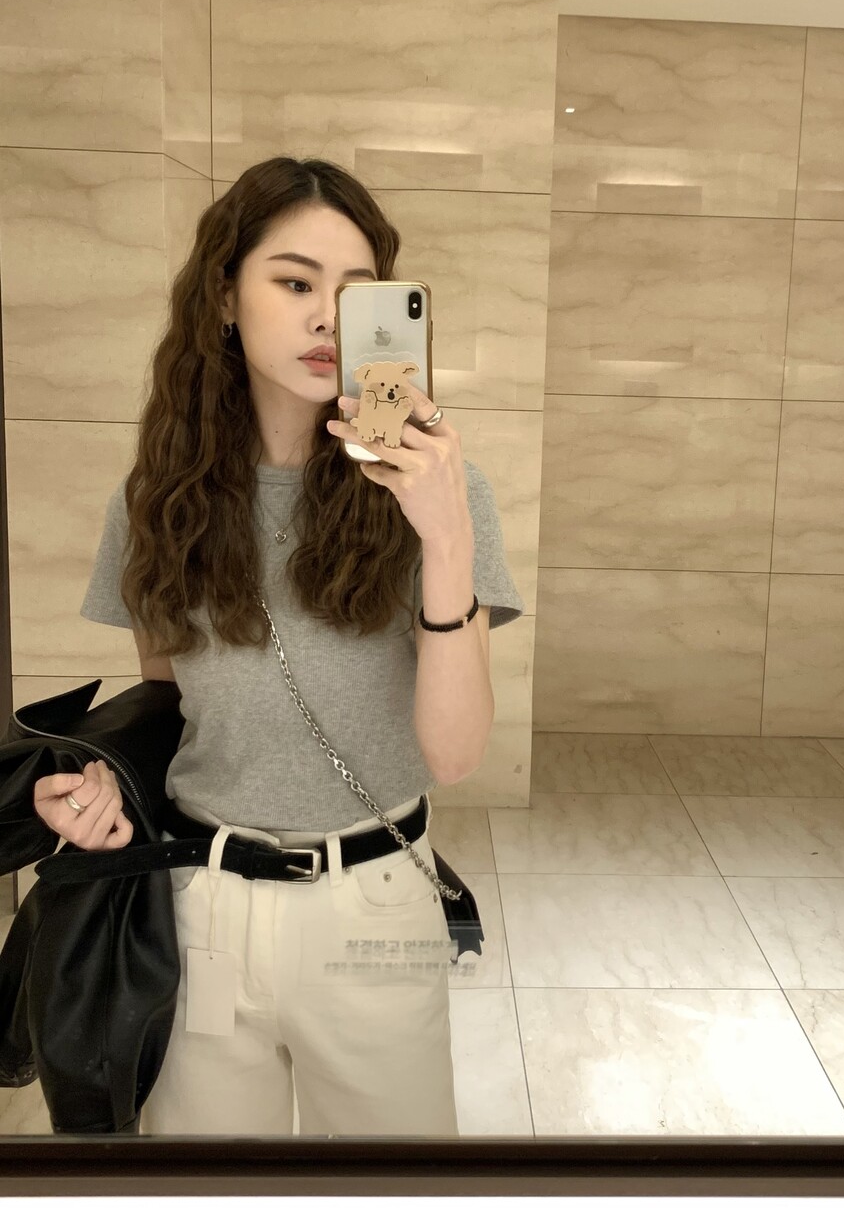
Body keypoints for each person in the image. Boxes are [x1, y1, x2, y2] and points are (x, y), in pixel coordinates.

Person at [31, 157, 524, 1138]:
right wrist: (98, 787)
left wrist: (444, 539)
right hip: (199, 904)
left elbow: (457, 752)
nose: (327, 319)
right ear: (224, 296)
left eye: (356, 294)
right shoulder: (157, 501)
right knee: (209, 1194)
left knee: (394, 1196)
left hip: (374, 902)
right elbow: (172, 711)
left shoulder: (444, 493)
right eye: (295, 282)